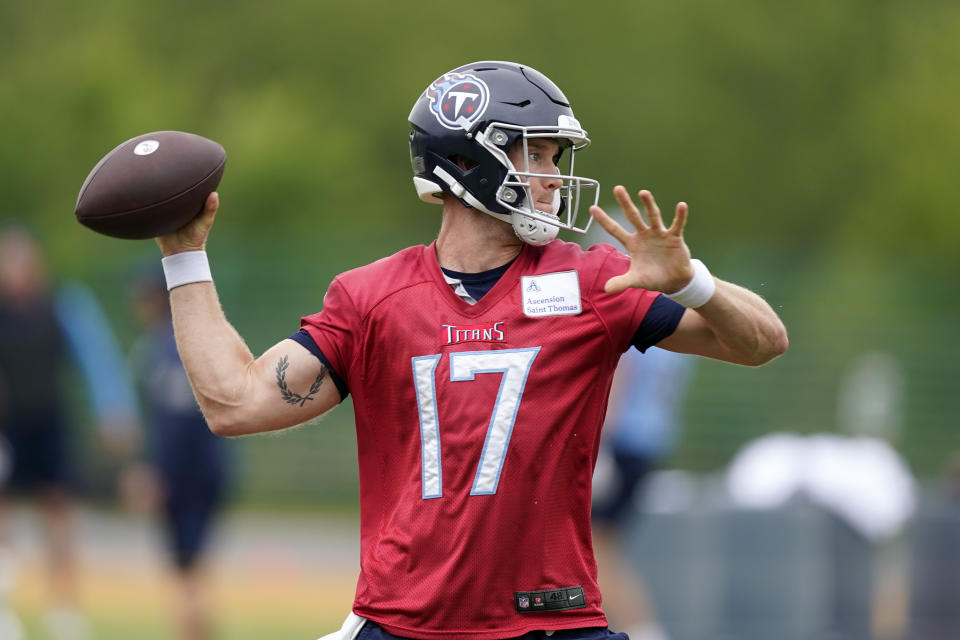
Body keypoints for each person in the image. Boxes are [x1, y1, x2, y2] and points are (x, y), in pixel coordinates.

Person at [152, 61, 788, 640]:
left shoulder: (591, 281)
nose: (552, 179)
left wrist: (694, 282)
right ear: (468, 162)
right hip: (406, 625)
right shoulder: (373, 298)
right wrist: (184, 255)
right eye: (536, 155)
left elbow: (763, 343)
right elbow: (234, 403)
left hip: (551, 623)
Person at [0, 225, 139, 640]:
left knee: (59, 516)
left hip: (50, 425)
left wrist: (114, 410)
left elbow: (96, 358)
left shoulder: (62, 307)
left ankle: (64, 611)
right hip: (6, 428)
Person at [124, 272, 230, 640]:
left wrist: (154, 473)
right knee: (192, 568)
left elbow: (171, 426)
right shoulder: (187, 344)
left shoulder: (165, 351)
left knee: (187, 570)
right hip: (208, 469)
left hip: (184, 475)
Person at [591, 347, 696, 640]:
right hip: (648, 443)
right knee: (598, 549)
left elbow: (617, 374)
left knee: (594, 552)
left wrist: (600, 444)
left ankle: (644, 632)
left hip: (620, 443)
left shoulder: (635, 316)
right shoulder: (676, 326)